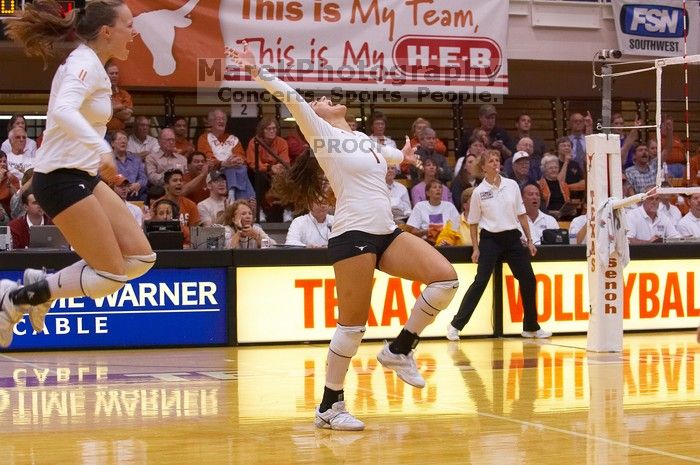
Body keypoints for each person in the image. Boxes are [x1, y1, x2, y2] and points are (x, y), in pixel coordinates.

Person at [230, 41, 459, 431]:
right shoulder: (321, 135)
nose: (322, 99)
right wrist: (257, 71)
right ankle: (329, 405)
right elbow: (290, 96)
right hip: (352, 235)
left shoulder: (367, 142)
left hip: (385, 233)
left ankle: (400, 349)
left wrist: (403, 156)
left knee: (445, 279)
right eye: (318, 100)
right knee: (352, 326)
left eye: (325, 98)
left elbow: (389, 156)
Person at [2, 0, 156, 348]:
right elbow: (63, 110)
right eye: (128, 25)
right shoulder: (83, 64)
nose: (134, 32)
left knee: (141, 258)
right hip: (58, 178)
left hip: (82, 174)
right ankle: (17, 297)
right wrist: (100, 148)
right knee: (112, 276)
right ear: (106, 31)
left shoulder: (95, 66)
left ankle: (37, 288)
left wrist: (95, 153)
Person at [446, 150, 551, 341]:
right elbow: (474, 222)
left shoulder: (511, 185)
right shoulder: (479, 192)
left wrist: (529, 240)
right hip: (490, 239)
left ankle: (531, 327)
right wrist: (476, 248)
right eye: (491, 161)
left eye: (497, 160)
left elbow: (521, 215)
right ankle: (455, 325)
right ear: (483, 167)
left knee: (528, 279)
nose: (495, 163)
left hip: (512, 238)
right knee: (480, 281)